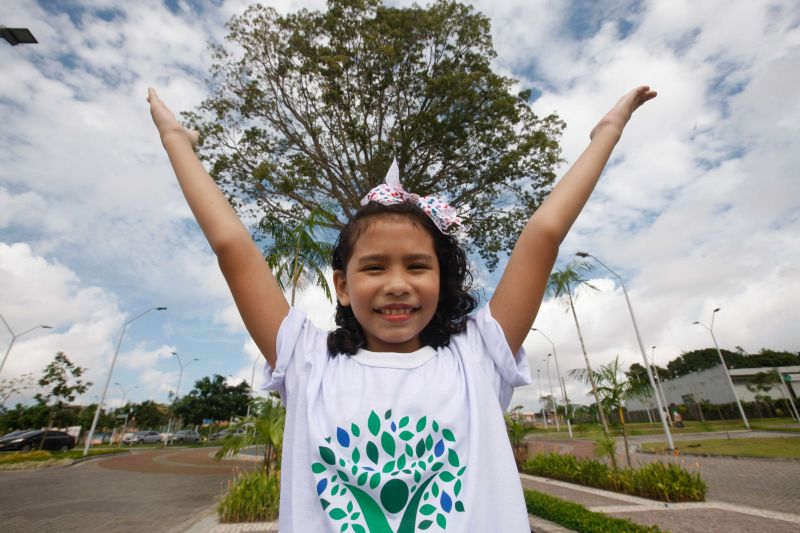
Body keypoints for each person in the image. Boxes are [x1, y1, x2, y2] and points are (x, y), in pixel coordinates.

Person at [148, 85, 656, 532]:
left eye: (417, 266)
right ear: (342, 286)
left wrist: (607, 132)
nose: (397, 284)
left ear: (443, 280)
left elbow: (544, 233)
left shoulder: (476, 355)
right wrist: (177, 141)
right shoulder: (308, 360)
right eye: (374, 268)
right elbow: (232, 247)